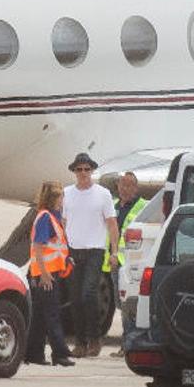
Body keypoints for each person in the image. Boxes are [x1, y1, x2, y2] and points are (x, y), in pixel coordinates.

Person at [63, 153, 119, 358]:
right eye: (79, 170)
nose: (83, 173)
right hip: (73, 251)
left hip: (95, 250)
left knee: (88, 294)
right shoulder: (67, 193)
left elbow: (112, 225)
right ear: (74, 172)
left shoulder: (103, 194)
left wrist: (114, 252)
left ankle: (94, 338)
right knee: (75, 298)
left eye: (87, 169)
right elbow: (62, 223)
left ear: (92, 171)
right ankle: (80, 343)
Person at [26, 181, 75, 367]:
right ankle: (60, 353)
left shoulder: (53, 217)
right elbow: (38, 247)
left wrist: (66, 259)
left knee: (39, 315)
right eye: (61, 196)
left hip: (48, 272)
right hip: (45, 275)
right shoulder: (45, 217)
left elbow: (55, 246)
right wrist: (45, 274)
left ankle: (33, 353)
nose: (63, 199)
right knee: (52, 313)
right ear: (55, 198)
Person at [103, 172, 148, 358]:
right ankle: (128, 342)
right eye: (122, 185)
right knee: (121, 305)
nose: (124, 189)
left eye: (129, 186)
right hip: (114, 263)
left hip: (132, 263)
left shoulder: (143, 207)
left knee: (129, 305)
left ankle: (129, 344)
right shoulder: (112, 206)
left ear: (136, 188)